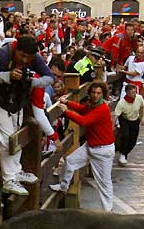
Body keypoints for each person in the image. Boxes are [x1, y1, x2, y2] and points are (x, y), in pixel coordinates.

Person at [0, 35, 54, 196]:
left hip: (17, 102)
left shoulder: (33, 58)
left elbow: (49, 78)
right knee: (7, 139)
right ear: (16, 50)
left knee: (17, 138)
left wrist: (31, 82)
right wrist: (8, 76)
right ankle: (9, 179)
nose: (24, 60)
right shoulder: (2, 54)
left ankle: (16, 172)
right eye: (22, 56)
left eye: (28, 57)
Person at [49, 82, 115, 211]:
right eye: (93, 92)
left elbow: (84, 121)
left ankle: (108, 211)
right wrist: (67, 103)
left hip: (103, 151)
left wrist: (66, 111)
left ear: (103, 95)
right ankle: (63, 186)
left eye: (98, 93)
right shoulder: (93, 105)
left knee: (104, 183)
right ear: (90, 93)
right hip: (91, 146)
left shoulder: (102, 108)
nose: (95, 95)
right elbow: (82, 109)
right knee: (70, 161)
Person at [114, 84, 144, 165]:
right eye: (132, 92)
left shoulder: (139, 98)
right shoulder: (121, 103)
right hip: (124, 119)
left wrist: (143, 117)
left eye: (135, 92)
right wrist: (112, 127)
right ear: (127, 93)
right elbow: (116, 115)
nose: (134, 94)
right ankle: (122, 153)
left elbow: (143, 107)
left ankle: (124, 153)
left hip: (135, 119)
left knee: (133, 139)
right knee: (125, 136)